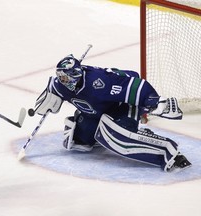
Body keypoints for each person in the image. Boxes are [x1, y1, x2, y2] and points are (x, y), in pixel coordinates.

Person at [33, 54, 192, 173]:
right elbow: (56, 87)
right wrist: (49, 96)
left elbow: (135, 85)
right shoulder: (61, 85)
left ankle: (169, 153)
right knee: (80, 141)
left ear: (76, 75)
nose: (63, 80)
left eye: (65, 77)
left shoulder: (100, 83)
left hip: (123, 104)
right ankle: (128, 131)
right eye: (60, 76)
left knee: (117, 138)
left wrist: (155, 102)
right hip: (99, 109)